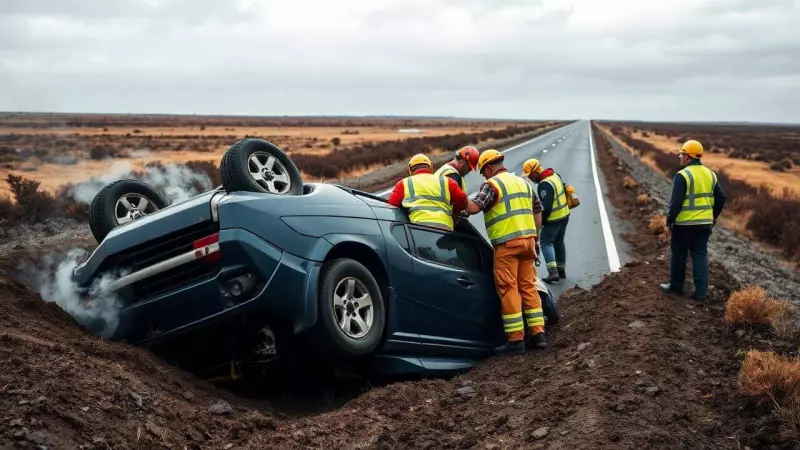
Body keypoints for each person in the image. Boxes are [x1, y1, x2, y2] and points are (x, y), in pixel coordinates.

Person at [464, 149, 546, 354]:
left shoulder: (492, 185)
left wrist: (458, 198)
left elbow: (474, 207)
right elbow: (537, 211)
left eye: (483, 172)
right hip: (528, 242)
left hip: (507, 246)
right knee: (528, 286)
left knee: (509, 288)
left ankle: (515, 339)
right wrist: (536, 239)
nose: (484, 176)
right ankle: (538, 334)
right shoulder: (524, 183)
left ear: (489, 168)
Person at [659, 140, 726, 301]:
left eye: (682, 154)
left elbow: (676, 202)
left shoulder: (682, 175)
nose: (680, 157)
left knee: (679, 254)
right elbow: (721, 197)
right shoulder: (710, 174)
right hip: (704, 224)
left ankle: (676, 287)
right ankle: (701, 292)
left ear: (688, 156)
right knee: (700, 254)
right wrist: (714, 216)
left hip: (684, 225)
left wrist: (669, 221)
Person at [387, 153, 468, 231]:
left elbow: (391, 208)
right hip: (444, 229)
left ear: (410, 170)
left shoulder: (403, 184)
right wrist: (454, 214)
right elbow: (463, 199)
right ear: (431, 167)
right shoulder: (446, 181)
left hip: (419, 229)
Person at [523, 158, 570, 284]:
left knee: (545, 242)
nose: (530, 178)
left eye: (531, 175)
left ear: (535, 171)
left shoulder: (544, 184)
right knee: (559, 242)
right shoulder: (555, 175)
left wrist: (541, 222)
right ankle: (561, 270)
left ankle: (553, 272)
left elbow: (547, 207)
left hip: (553, 219)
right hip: (564, 215)